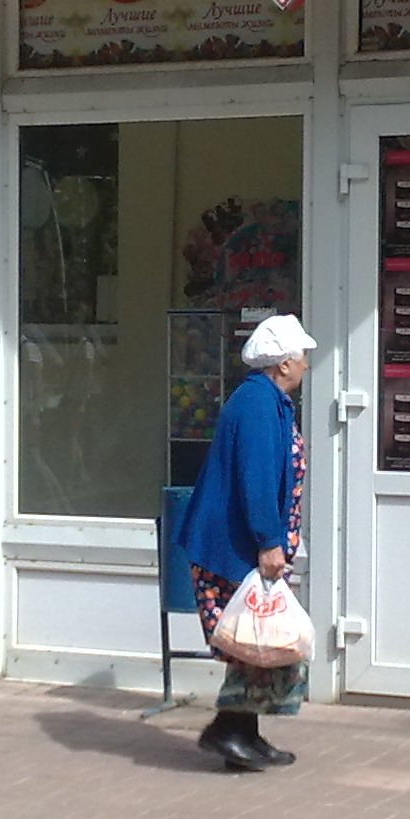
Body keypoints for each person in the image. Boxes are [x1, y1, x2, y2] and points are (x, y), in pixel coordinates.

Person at [175, 312, 315, 771]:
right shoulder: (257, 404)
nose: (306, 364)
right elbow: (256, 478)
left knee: (259, 641)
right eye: (302, 356)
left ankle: (244, 734)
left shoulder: (269, 401)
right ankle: (227, 730)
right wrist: (269, 542)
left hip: (243, 546)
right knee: (252, 641)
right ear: (283, 363)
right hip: (232, 549)